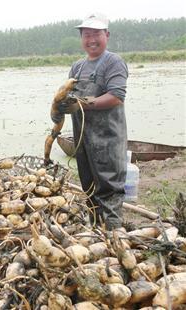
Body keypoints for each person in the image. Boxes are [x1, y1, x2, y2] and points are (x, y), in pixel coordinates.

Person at [53, 13, 129, 230]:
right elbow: (68, 97)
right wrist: (60, 108)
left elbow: (116, 96)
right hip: (83, 140)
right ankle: (96, 230)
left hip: (108, 138)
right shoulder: (77, 67)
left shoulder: (113, 62)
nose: (91, 39)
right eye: (86, 35)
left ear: (107, 35)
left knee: (109, 186)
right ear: (81, 38)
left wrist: (82, 103)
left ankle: (114, 232)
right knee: (88, 186)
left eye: (96, 34)